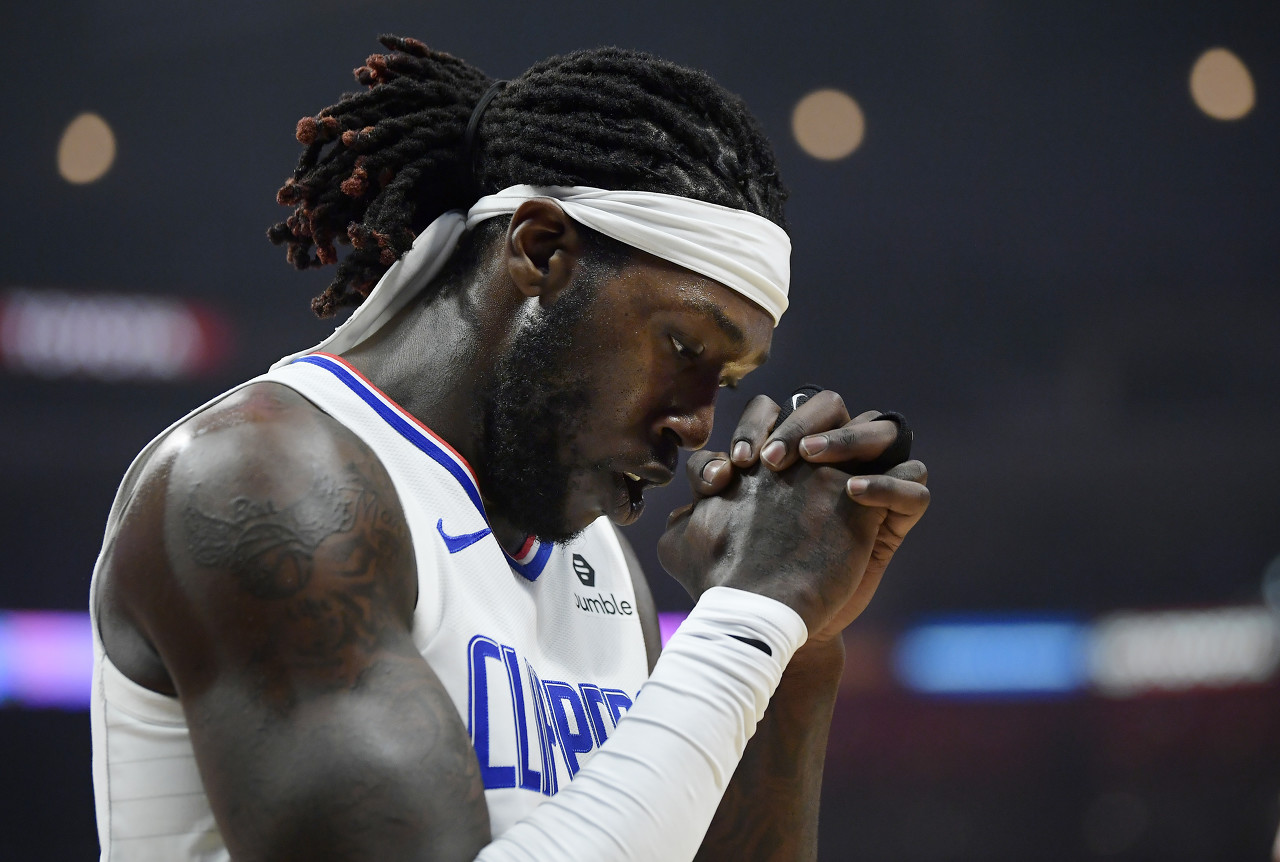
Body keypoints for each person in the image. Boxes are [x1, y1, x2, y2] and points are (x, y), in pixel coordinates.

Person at [89, 36, 930, 861]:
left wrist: (797, 637)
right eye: (683, 348)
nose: (699, 425)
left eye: (730, 379)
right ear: (540, 251)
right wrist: (748, 619)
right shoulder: (259, 480)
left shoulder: (596, 558)